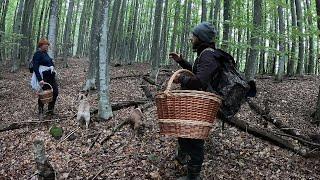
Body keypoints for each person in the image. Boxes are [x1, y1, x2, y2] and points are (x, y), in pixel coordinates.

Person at [169, 22, 233, 180]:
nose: (191, 38)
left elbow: (200, 82)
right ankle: (183, 158)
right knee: (184, 132)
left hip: (201, 105)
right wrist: (182, 62)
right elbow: (198, 73)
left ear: (201, 37)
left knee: (195, 139)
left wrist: (181, 78)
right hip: (196, 104)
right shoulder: (205, 54)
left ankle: (193, 176)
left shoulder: (208, 55)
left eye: (193, 35)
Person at [31, 38, 59, 117]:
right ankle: (40, 111)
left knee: (55, 92)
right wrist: (40, 80)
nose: (47, 46)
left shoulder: (45, 53)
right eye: (45, 45)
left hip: (51, 77)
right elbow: (35, 68)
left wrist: (52, 63)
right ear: (41, 45)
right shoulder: (37, 54)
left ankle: (50, 110)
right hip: (44, 77)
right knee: (43, 94)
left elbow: (48, 63)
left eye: (47, 45)